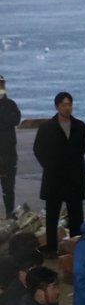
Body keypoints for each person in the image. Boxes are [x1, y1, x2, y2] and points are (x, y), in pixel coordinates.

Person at [33, 91, 85, 248]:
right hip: (54, 176)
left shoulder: (79, 125)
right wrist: (49, 165)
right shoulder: (46, 127)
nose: (67, 108)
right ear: (57, 106)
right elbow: (38, 149)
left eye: (69, 105)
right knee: (52, 214)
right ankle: (51, 246)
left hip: (74, 175)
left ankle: (76, 244)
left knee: (76, 214)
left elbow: (84, 145)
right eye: (64, 105)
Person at [0, 74, 17, 218]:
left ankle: (9, 213)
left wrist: (2, 101)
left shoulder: (10, 104)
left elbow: (15, 119)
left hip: (8, 154)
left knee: (8, 187)